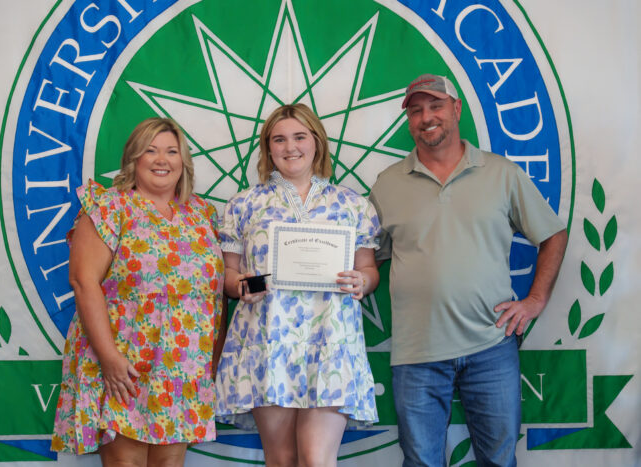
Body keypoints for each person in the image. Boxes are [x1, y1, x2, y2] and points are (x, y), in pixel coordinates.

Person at [369, 74, 567, 467]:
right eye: (416, 110)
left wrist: (535, 300)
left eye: (436, 105)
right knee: (422, 462)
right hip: (416, 351)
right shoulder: (387, 184)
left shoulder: (501, 173)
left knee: (498, 460)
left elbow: (553, 233)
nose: (427, 117)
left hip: (491, 345)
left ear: (456, 109)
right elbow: (367, 257)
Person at [51, 118, 225, 466]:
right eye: (151, 150)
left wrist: (212, 362)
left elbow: (214, 295)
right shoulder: (109, 207)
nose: (162, 160)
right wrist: (111, 359)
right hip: (124, 364)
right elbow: (84, 282)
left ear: (184, 161)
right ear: (133, 159)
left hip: (183, 369)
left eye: (171, 151)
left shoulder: (202, 213)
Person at [215, 103, 380, 466]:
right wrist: (242, 284)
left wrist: (362, 280)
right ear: (268, 148)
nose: (291, 147)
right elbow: (228, 277)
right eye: (280, 139)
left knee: (318, 459)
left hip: (332, 342)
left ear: (317, 142)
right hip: (267, 341)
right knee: (281, 457)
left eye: (300, 136)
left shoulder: (353, 205)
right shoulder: (243, 205)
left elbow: (369, 270)